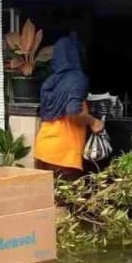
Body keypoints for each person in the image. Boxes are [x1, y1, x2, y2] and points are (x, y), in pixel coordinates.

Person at [33, 35, 104, 180]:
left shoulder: (50, 81)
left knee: (48, 200)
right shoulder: (78, 78)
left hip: (43, 150)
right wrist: (93, 122)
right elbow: (73, 112)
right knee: (67, 201)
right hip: (64, 155)